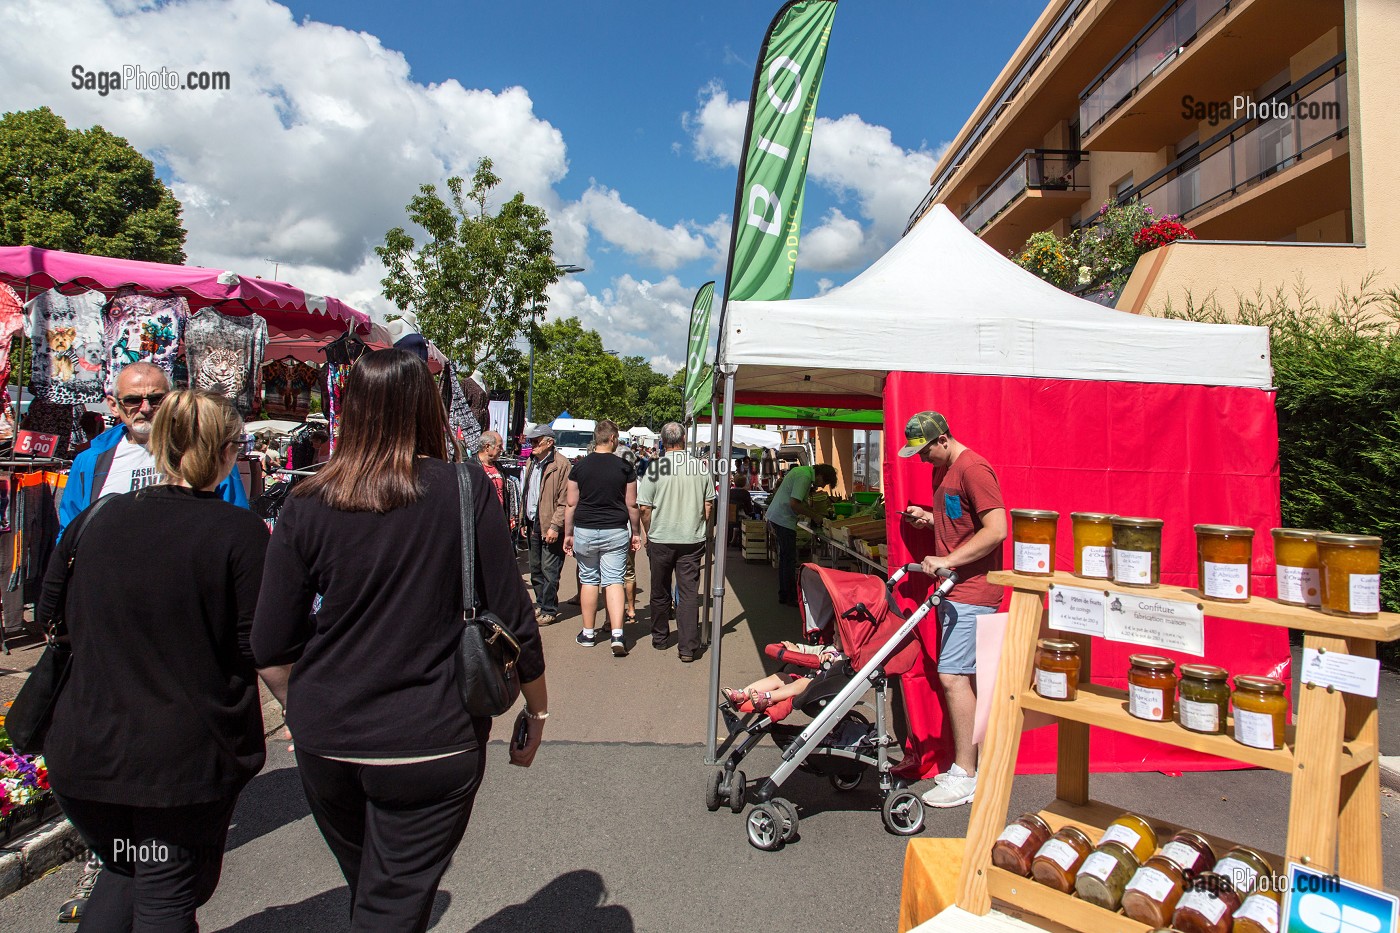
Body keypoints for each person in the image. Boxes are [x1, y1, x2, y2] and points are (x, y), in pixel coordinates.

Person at [252, 349, 547, 932]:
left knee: (371, 889)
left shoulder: (308, 501)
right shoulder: (464, 489)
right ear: (428, 408)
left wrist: (300, 707)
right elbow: (514, 617)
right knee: (391, 903)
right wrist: (537, 711)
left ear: (352, 410)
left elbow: (270, 643)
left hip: (329, 738)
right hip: (434, 737)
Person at [40, 389, 270, 930]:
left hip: (85, 749)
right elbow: (260, 644)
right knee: (165, 888)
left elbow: (51, 616)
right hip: (176, 762)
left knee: (129, 870)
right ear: (224, 452)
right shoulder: (237, 532)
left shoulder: (96, 519)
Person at [899, 410, 1006, 810]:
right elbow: (962, 523)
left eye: (925, 451)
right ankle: (969, 767)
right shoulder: (944, 471)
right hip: (953, 589)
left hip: (973, 592)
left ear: (942, 439)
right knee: (959, 677)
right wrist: (930, 519)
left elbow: (997, 529)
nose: (922, 459)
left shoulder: (973, 469)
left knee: (953, 676)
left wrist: (949, 561)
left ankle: (966, 774)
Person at [58, 362, 248, 535]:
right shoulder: (90, 461)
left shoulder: (206, 452)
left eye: (156, 399)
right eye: (133, 400)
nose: (146, 408)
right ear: (114, 406)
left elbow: (235, 524)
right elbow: (70, 531)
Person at [636, 421, 715, 662]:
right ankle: (687, 647)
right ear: (683, 440)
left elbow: (644, 508)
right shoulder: (699, 467)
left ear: (663, 442)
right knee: (689, 592)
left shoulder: (655, 468)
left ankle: (660, 637)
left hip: (661, 537)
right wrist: (699, 523)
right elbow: (708, 504)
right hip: (691, 538)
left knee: (660, 589)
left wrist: (648, 532)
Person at [563, 420, 640, 656]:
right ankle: (617, 634)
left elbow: (571, 503)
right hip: (615, 529)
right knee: (614, 580)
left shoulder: (579, 467)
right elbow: (632, 504)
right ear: (613, 438)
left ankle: (588, 633)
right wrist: (636, 532)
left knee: (589, 580)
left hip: (585, 529)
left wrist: (568, 533)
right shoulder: (625, 468)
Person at [518, 424, 571, 625]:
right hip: (533, 522)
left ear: (549, 442)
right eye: (531, 441)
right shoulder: (531, 462)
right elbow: (526, 493)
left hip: (550, 524)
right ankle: (541, 603)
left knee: (550, 570)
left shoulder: (561, 464)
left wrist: (555, 526)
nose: (532, 445)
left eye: (536, 441)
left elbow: (564, 500)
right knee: (536, 569)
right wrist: (523, 519)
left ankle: (549, 609)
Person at [765, 462, 838, 606]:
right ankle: (790, 595)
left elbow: (798, 501)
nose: (822, 486)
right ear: (820, 475)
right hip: (784, 519)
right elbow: (795, 503)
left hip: (779, 517)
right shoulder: (804, 477)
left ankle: (784, 594)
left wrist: (811, 511)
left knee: (785, 559)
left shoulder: (802, 472)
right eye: (824, 482)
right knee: (789, 559)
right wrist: (815, 516)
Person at [722, 639, 842, 712]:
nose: (834, 637)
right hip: (805, 679)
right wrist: (797, 649)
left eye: (838, 635)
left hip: (818, 689)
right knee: (780, 676)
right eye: (834, 633)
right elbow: (811, 650)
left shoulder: (845, 658)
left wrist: (827, 659)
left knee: (804, 682)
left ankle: (767, 698)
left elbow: (838, 665)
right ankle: (742, 695)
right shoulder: (829, 647)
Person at [477, 429, 507, 513]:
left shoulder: (499, 467)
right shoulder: (472, 467)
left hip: (499, 515)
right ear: (487, 447)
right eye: (499, 446)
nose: (502, 449)